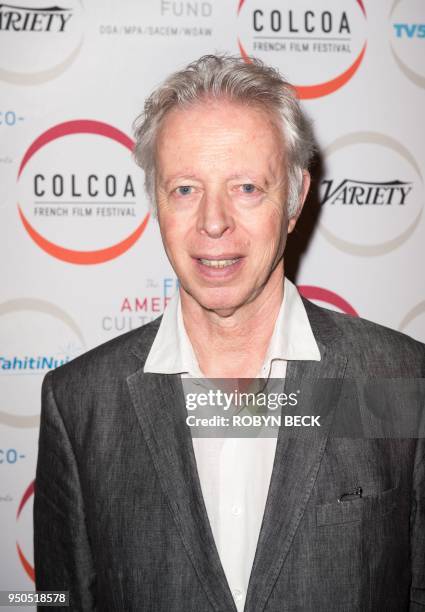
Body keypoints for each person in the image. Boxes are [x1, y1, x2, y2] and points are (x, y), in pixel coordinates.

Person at [34, 54, 425, 611]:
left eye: (245, 186)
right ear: (156, 201)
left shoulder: (403, 381)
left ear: (293, 200)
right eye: (186, 189)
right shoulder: (80, 404)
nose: (213, 222)